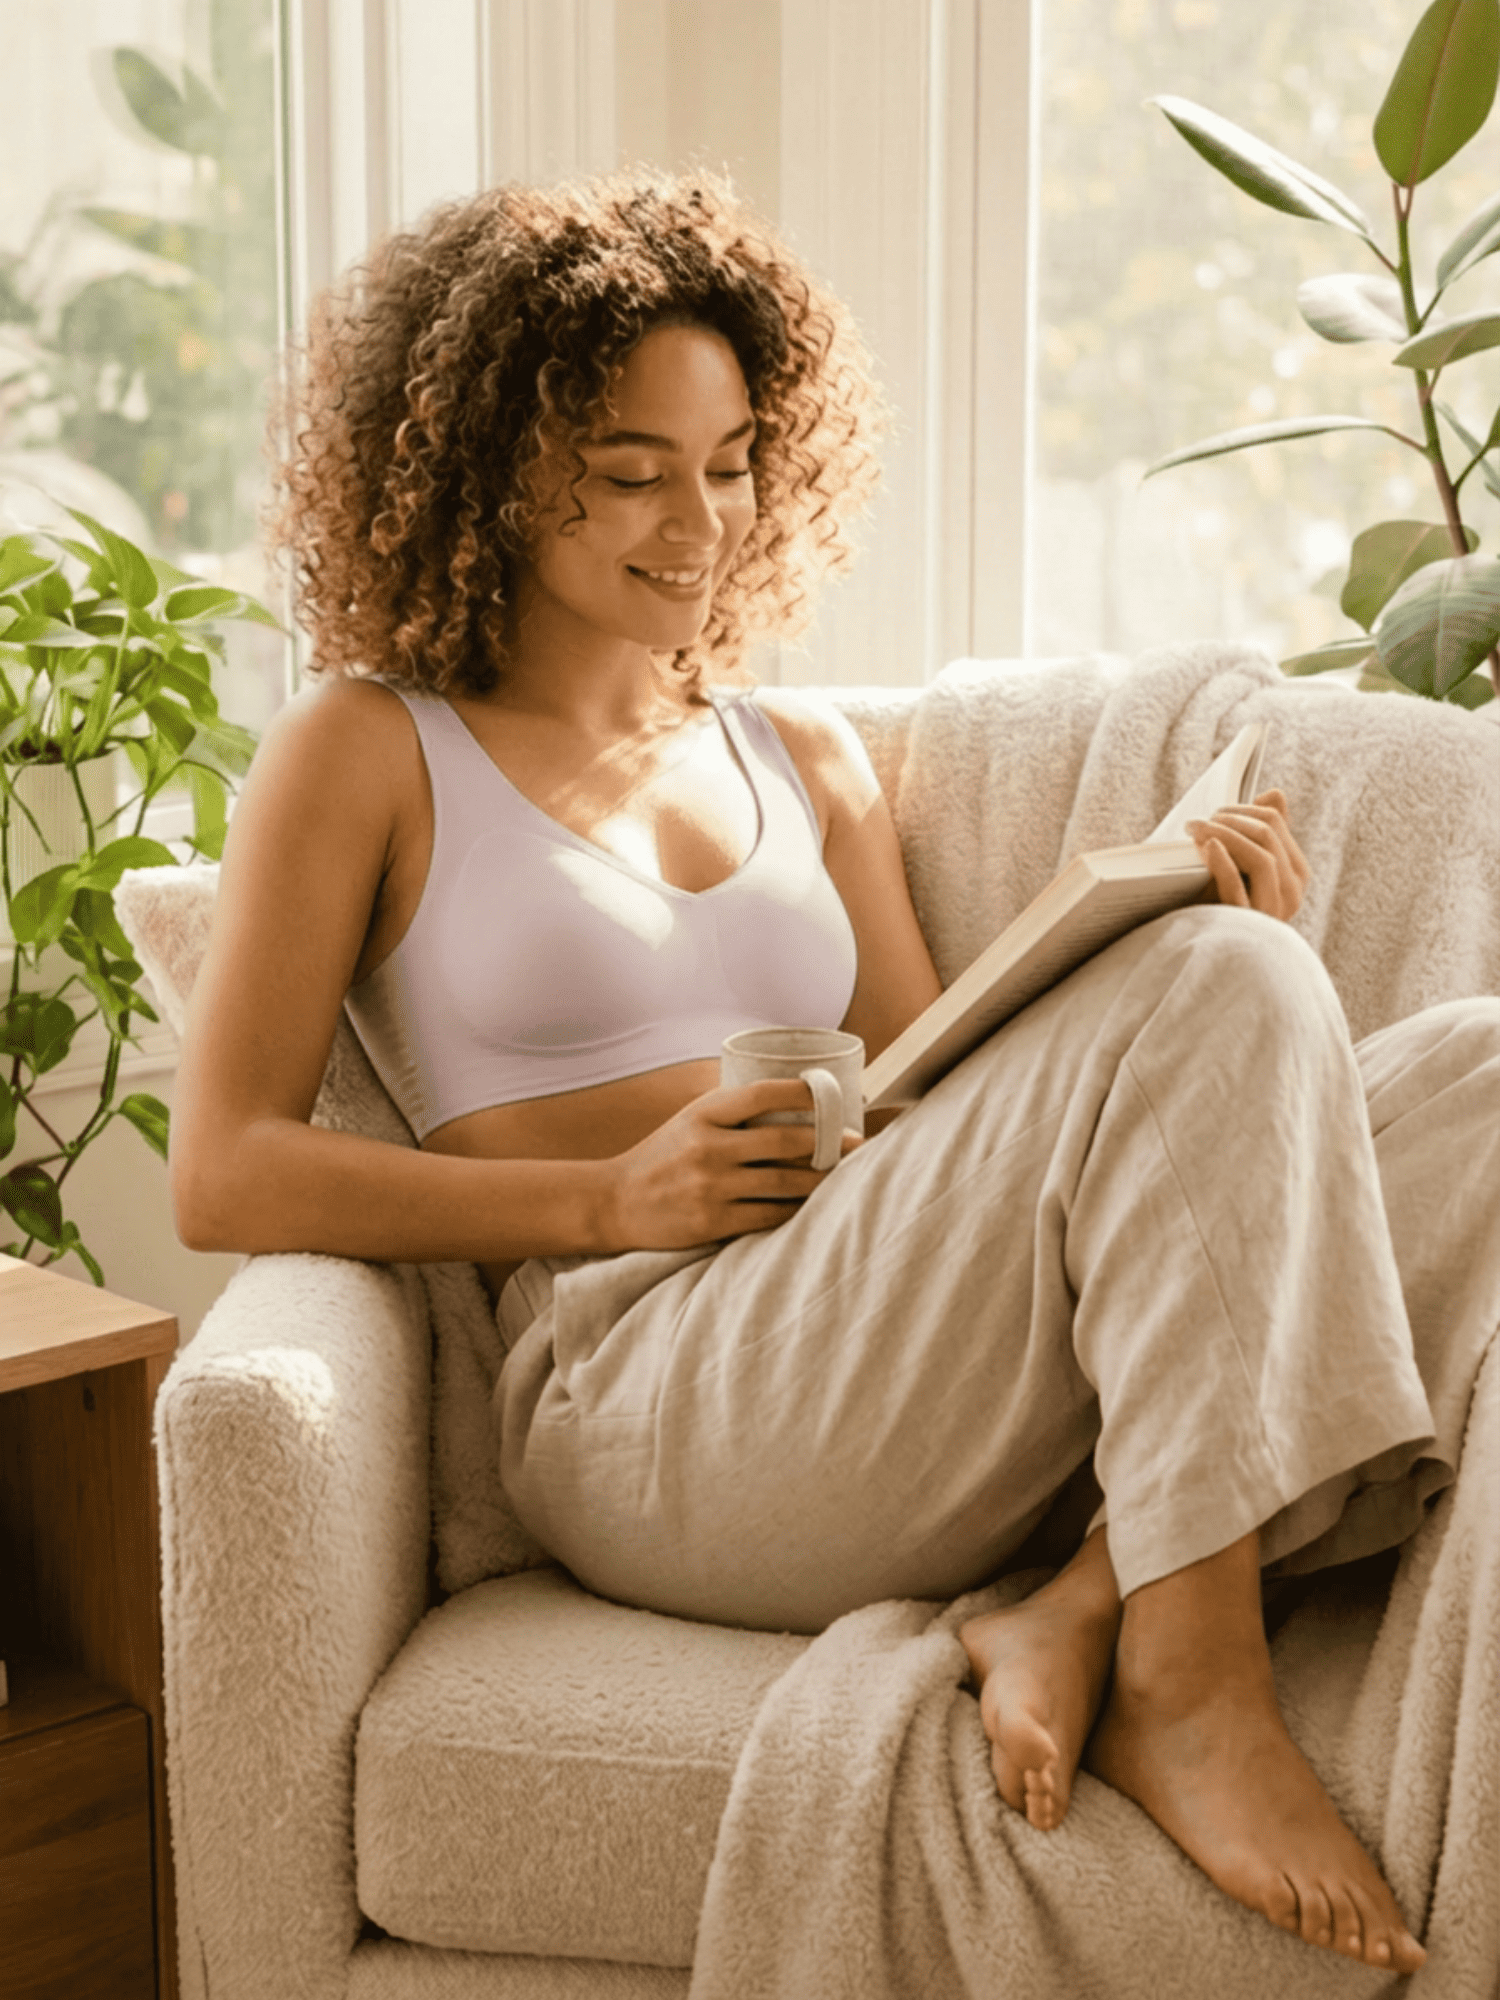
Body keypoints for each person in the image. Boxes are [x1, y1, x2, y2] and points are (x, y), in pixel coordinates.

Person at [171, 167, 1495, 1978]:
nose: (697, 523)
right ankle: (1192, 1679)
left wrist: (1158, 946)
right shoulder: (367, 750)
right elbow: (224, 1170)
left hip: (879, 1351)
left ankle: (1090, 1603)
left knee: (1470, 1068)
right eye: (634, 471)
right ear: (490, 459)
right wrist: (604, 1198)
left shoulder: (805, 757)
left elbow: (937, 1103)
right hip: (644, 1381)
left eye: (727, 467)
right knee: (1220, 986)